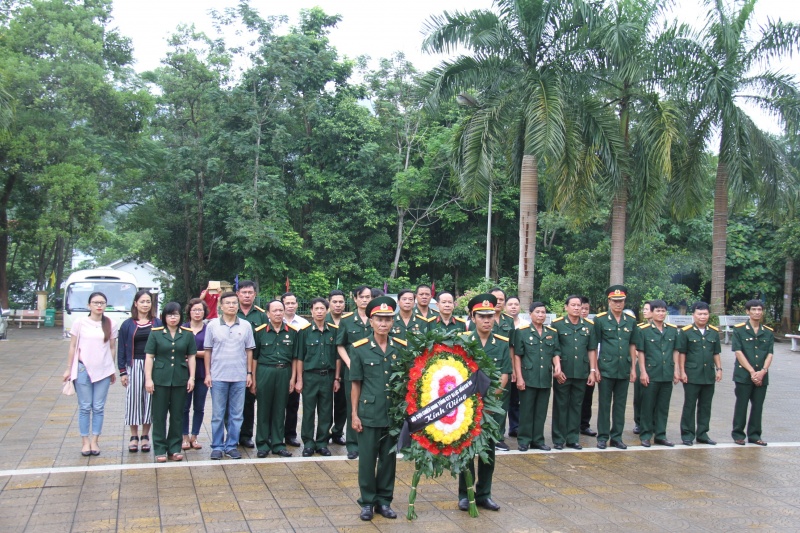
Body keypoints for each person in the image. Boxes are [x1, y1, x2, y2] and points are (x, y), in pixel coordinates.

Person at [350, 296, 405, 521]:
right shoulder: (360, 348)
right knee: (367, 459)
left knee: (388, 460)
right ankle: (367, 502)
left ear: (393, 322)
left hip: (392, 413)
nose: (383, 324)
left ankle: (384, 500)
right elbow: (356, 383)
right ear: (370, 321)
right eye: (379, 319)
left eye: (388, 319)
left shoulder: (401, 347)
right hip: (369, 413)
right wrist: (354, 414)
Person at [458, 294, 511, 512]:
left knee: (488, 451)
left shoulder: (501, 343)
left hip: (490, 407)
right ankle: (465, 494)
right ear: (473, 317)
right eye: (482, 316)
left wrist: (492, 398)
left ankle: (484, 494)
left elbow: (505, 374)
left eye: (490, 316)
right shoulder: (463, 341)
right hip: (467, 406)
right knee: (467, 451)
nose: (487, 320)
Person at [63, 292, 118, 456]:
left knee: (99, 407)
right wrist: (68, 368)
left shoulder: (110, 324)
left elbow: (112, 347)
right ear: (89, 305)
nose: (99, 305)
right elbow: (72, 346)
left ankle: (95, 441)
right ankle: (85, 441)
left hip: (103, 370)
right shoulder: (80, 323)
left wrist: (111, 368)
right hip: (82, 369)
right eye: (95, 302)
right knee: (85, 407)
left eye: (102, 302)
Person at [204, 291, 255, 460]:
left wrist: (249, 373)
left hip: (239, 377)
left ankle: (231, 445)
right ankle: (217, 446)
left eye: (234, 303)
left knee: (236, 414)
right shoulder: (212, 325)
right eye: (228, 303)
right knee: (218, 414)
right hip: (218, 376)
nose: (232, 306)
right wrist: (208, 374)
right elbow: (208, 351)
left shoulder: (246, 325)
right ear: (221, 305)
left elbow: (249, 351)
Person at [144, 302, 197, 462]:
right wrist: (148, 378)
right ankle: (160, 448)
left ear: (181, 316)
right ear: (164, 317)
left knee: (177, 415)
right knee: (159, 415)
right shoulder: (156, 333)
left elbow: (192, 356)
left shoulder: (187, 334)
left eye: (176, 314)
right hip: (160, 379)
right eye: (169, 315)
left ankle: (174, 448)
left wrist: (192, 377)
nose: (173, 318)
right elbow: (149, 357)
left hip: (180, 378)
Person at [252, 299, 301, 458]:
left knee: (280, 409)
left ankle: (278, 444)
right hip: (265, 372)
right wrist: (253, 378)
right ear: (268, 314)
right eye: (275, 311)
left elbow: (294, 358)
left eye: (281, 310)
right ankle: (262, 444)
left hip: (284, 372)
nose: (279, 313)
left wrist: (292, 379)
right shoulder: (260, 332)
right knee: (264, 409)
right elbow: (254, 358)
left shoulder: (293, 332)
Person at [550, 295, 598, 450]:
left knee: (577, 405)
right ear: (566, 307)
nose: (577, 308)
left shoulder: (589, 326)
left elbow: (591, 349)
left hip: (581, 372)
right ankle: (558, 438)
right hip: (563, 371)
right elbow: (554, 349)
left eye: (579, 305)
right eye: (573, 305)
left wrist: (592, 371)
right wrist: (557, 369)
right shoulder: (557, 324)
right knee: (561, 405)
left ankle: (572, 438)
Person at [593, 285, 638, 449]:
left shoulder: (631, 321)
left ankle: (617, 437)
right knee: (604, 404)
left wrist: (633, 368)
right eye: (615, 301)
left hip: (623, 368)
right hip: (606, 367)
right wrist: (595, 368)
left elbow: (632, 345)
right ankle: (603, 437)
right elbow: (594, 345)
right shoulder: (600, 320)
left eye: (621, 301)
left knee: (620, 405)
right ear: (609, 301)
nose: (618, 304)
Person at [514, 302, 561, 451]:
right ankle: (524, 440)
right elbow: (517, 356)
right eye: (538, 312)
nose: (541, 315)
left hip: (545, 377)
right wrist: (519, 377)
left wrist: (557, 366)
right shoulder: (522, 332)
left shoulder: (551, 332)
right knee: (526, 410)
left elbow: (555, 352)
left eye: (543, 312)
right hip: (528, 377)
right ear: (530, 314)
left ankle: (538, 440)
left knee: (541, 411)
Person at [633, 300, 681, 447]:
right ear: (652, 313)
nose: (661, 314)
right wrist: (642, 371)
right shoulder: (644, 330)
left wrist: (676, 369)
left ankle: (660, 435)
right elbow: (640, 352)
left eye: (663, 311)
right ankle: (646, 435)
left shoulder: (672, 330)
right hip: (651, 372)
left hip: (666, 373)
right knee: (647, 405)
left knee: (663, 406)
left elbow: (675, 351)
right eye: (658, 311)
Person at [118, 290, 160, 453]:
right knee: (134, 400)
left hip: (154, 364)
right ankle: (134, 436)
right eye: (142, 301)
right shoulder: (128, 324)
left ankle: (145, 436)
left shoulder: (157, 323)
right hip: (133, 364)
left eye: (148, 301)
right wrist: (122, 371)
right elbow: (121, 347)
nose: (145, 304)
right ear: (136, 303)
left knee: (150, 400)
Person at [677, 302, 722, 446]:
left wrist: (719, 369)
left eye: (705, 314)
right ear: (693, 315)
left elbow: (716, 353)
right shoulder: (686, 332)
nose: (703, 317)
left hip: (708, 374)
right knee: (689, 405)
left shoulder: (713, 332)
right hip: (692, 374)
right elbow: (682, 353)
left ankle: (702, 433)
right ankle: (687, 435)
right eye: (699, 314)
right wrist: (682, 371)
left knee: (705, 405)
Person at [297, 298, 337, 457]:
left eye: (322, 309)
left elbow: (337, 358)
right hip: (310, 377)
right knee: (308, 411)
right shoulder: (304, 332)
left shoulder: (334, 331)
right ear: (311, 311)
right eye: (316, 309)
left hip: (328, 376)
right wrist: (299, 379)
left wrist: (337, 378)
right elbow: (300, 358)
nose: (319, 311)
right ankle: (308, 443)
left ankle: (322, 442)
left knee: (326, 411)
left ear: (327, 311)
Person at [336, 286, 373, 459]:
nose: (365, 300)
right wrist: (349, 362)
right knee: (353, 405)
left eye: (368, 297)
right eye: (362, 297)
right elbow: (340, 344)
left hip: (373, 370)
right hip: (352, 371)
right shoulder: (347, 320)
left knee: (371, 405)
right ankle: (353, 444)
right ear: (356, 299)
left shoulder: (377, 318)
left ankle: (369, 442)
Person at [731, 299, 773, 446]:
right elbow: (738, 352)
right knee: (741, 405)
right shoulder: (739, 330)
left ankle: (755, 435)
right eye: (754, 309)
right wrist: (752, 372)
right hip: (743, 375)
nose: (757, 312)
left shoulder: (767, 332)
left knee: (758, 406)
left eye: (759, 310)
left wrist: (762, 371)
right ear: (747, 311)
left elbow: (770, 354)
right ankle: (738, 434)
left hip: (762, 376)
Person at [235, 280, 267, 449]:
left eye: (250, 293)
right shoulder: (232, 312)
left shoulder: (261, 315)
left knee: (249, 402)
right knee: (232, 403)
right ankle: (233, 434)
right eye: (243, 292)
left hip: (254, 364)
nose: (247, 295)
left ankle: (246, 435)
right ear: (238, 294)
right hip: (234, 363)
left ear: (255, 295)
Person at [282, 291, 309, 448]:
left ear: (297, 305)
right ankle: (275, 434)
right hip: (280, 366)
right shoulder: (274, 320)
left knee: (293, 404)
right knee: (278, 405)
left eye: (293, 303)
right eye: (287, 303)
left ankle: (290, 434)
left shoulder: (303, 324)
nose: (290, 306)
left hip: (297, 366)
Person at [182, 298, 209, 451]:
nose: (197, 313)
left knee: (199, 407)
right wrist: (199, 353)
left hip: (202, 373)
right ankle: (184, 436)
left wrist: (192, 353)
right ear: (189, 312)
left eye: (200, 310)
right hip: (183, 374)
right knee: (184, 407)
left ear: (204, 312)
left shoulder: (209, 329)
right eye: (194, 310)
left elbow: (210, 353)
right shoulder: (183, 328)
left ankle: (195, 436)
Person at [327, 289, 348, 446]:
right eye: (335, 302)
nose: (338, 305)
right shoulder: (321, 319)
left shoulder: (348, 321)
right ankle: (324, 432)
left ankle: (338, 431)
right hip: (326, 369)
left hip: (345, 369)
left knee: (342, 403)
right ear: (329, 303)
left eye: (341, 302)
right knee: (325, 405)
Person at [504, 295, 526, 438]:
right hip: (505, 365)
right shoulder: (501, 322)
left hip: (521, 367)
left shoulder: (525, 324)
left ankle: (515, 427)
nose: (513, 307)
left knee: (515, 400)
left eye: (516, 304)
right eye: (510, 304)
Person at [633, 301, 653, 435]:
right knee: (639, 396)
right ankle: (639, 422)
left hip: (656, 366)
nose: (644, 311)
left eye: (647, 309)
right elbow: (634, 346)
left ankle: (653, 422)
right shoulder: (639, 328)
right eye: (643, 309)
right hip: (641, 364)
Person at [579, 296, 599, 437]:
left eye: (586, 309)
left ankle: (584, 425)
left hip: (588, 368)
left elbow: (594, 349)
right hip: (573, 368)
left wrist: (594, 368)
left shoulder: (591, 326)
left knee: (587, 398)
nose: (584, 311)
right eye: (582, 308)